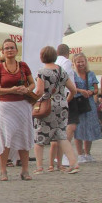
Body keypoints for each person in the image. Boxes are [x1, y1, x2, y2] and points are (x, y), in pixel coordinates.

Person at [0, 39, 34, 181]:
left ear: (16, 50)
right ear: (3, 51)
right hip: (6, 105)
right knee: (6, 137)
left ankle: (25, 170)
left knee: (23, 134)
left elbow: (32, 83)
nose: (9, 50)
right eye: (6, 48)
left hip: (22, 104)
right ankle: (3, 170)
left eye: (12, 48)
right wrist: (11, 89)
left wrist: (26, 89)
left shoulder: (23, 66)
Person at [33, 46, 80, 175]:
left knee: (40, 135)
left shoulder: (42, 72)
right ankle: (73, 163)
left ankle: (39, 167)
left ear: (42, 57)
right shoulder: (62, 71)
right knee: (62, 135)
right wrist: (65, 100)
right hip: (62, 104)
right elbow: (73, 90)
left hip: (47, 105)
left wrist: (32, 100)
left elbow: (39, 91)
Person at [70, 53, 101, 162]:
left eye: (82, 61)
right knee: (78, 128)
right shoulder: (72, 75)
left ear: (86, 62)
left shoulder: (91, 74)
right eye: (78, 62)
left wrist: (91, 91)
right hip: (78, 102)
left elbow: (96, 88)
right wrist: (80, 91)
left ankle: (88, 153)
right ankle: (80, 154)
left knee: (89, 127)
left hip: (89, 102)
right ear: (74, 63)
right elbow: (71, 87)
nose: (80, 64)